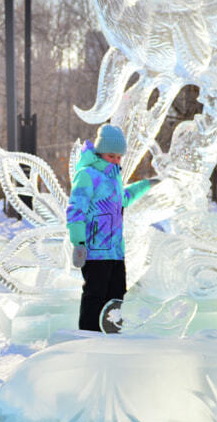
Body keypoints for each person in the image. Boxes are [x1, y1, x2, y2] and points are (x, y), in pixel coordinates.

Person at [65, 123, 153, 332]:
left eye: (118, 157)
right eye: (111, 156)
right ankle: (88, 335)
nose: (115, 160)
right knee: (95, 295)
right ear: (100, 151)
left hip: (115, 250)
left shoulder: (114, 177)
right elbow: (76, 209)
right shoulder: (87, 175)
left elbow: (123, 198)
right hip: (95, 250)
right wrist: (78, 242)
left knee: (117, 293)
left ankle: (112, 333)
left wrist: (146, 185)